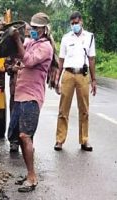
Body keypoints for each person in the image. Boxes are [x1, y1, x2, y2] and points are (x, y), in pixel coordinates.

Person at [9, 12, 54, 192]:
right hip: (20, 96)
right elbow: (19, 56)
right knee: (19, 136)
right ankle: (29, 173)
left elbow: (27, 59)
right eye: (32, 28)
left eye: (37, 28)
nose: (33, 30)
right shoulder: (30, 42)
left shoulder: (46, 48)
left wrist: (17, 40)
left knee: (25, 136)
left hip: (32, 97)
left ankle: (32, 177)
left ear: (44, 29)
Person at [54, 11, 96, 152]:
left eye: (76, 23)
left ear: (81, 22)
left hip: (82, 76)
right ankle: (59, 140)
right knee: (63, 109)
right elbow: (61, 60)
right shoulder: (66, 38)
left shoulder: (89, 37)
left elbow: (91, 59)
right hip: (68, 74)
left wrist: (94, 80)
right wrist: (57, 78)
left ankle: (84, 140)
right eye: (72, 24)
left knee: (84, 109)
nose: (74, 26)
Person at [6, 23, 32, 153]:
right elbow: (7, 65)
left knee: (28, 116)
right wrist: (12, 68)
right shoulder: (13, 46)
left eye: (30, 30)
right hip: (15, 87)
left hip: (29, 88)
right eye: (26, 30)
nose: (28, 32)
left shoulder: (34, 45)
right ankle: (14, 142)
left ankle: (28, 142)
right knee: (14, 116)